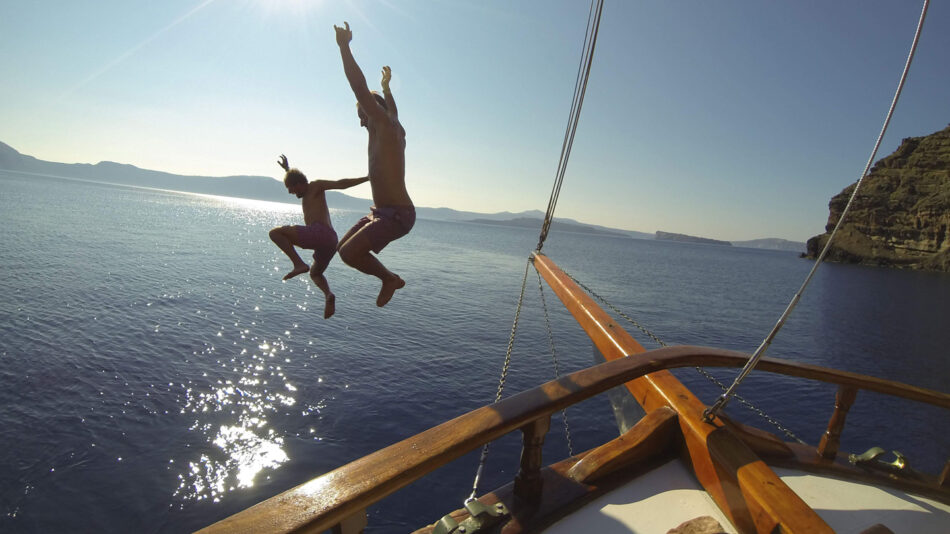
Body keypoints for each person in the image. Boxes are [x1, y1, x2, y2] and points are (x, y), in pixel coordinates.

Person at [334, 21, 415, 307]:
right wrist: (387, 88)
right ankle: (389, 278)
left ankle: (390, 279)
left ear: (372, 109)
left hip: (396, 214)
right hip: (381, 211)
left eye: (362, 114)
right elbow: (392, 108)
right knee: (341, 248)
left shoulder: (382, 122)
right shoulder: (391, 121)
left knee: (348, 253)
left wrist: (344, 47)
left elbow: (358, 87)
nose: (360, 121)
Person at [269, 154, 368, 319]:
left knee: (275, 233)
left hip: (320, 232)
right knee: (315, 273)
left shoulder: (315, 186)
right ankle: (328, 295)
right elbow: (294, 178)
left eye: (293, 190)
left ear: (300, 184)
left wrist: (367, 178)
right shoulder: (306, 189)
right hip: (330, 242)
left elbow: (341, 184)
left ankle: (299, 264)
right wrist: (287, 169)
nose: (292, 193)